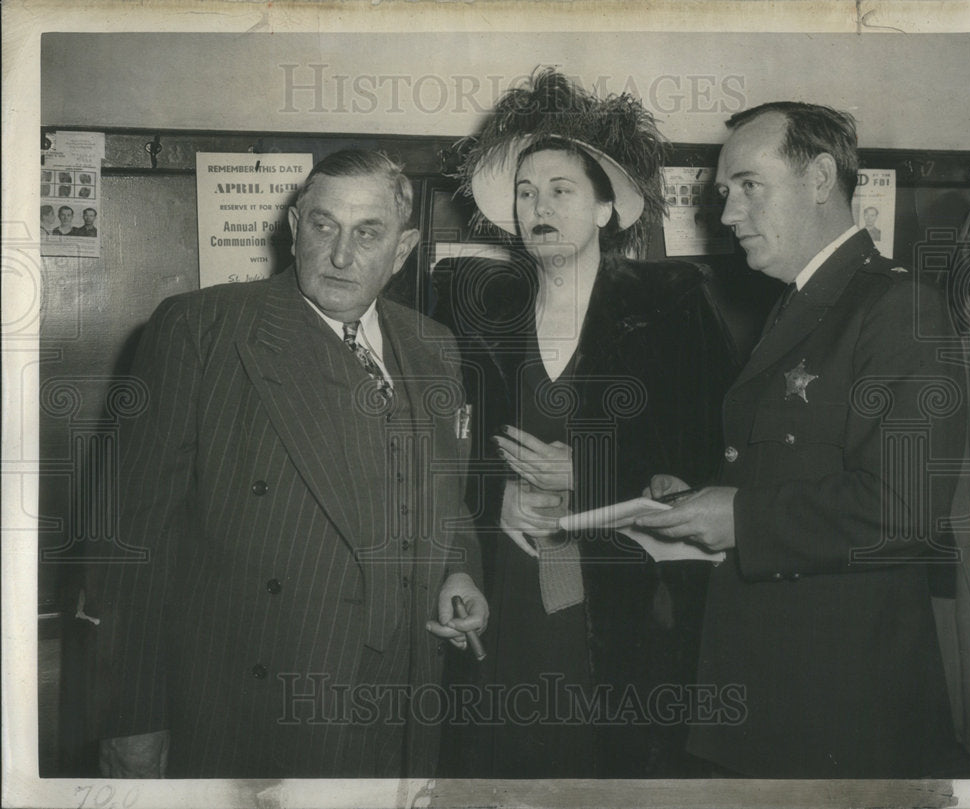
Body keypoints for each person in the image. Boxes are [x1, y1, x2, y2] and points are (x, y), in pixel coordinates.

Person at [90, 149, 488, 778]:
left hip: (405, 690)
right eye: (324, 226)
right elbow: (130, 540)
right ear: (294, 226)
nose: (340, 255)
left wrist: (458, 572)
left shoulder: (433, 345)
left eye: (368, 233)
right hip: (262, 697)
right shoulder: (203, 330)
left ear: (404, 248)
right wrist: (131, 717)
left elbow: (447, 496)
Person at [638, 102, 969, 777]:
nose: (727, 214)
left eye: (748, 186)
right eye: (725, 193)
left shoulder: (899, 308)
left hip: (845, 703)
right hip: (776, 686)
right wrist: (705, 500)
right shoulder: (800, 305)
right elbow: (792, 471)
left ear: (820, 177)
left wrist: (737, 517)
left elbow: (905, 512)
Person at [443, 70, 738, 778]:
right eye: (525, 192)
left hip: (623, 595)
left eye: (560, 190)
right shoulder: (477, 310)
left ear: (607, 208)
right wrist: (493, 494)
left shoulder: (671, 305)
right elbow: (437, 451)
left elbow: (712, 457)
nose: (538, 206)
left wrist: (595, 474)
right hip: (507, 583)